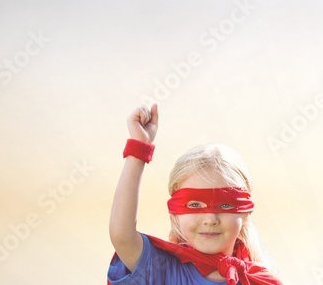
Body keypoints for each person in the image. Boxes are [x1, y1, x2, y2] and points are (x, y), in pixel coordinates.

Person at [108, 104, 282, 285]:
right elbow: (122, 236)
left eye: (224, 205)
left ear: (244, 215)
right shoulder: (161, 269)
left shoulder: (258, 280)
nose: (210, 219)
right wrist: (139, 148)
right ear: (175, 215)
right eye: (194, 205)